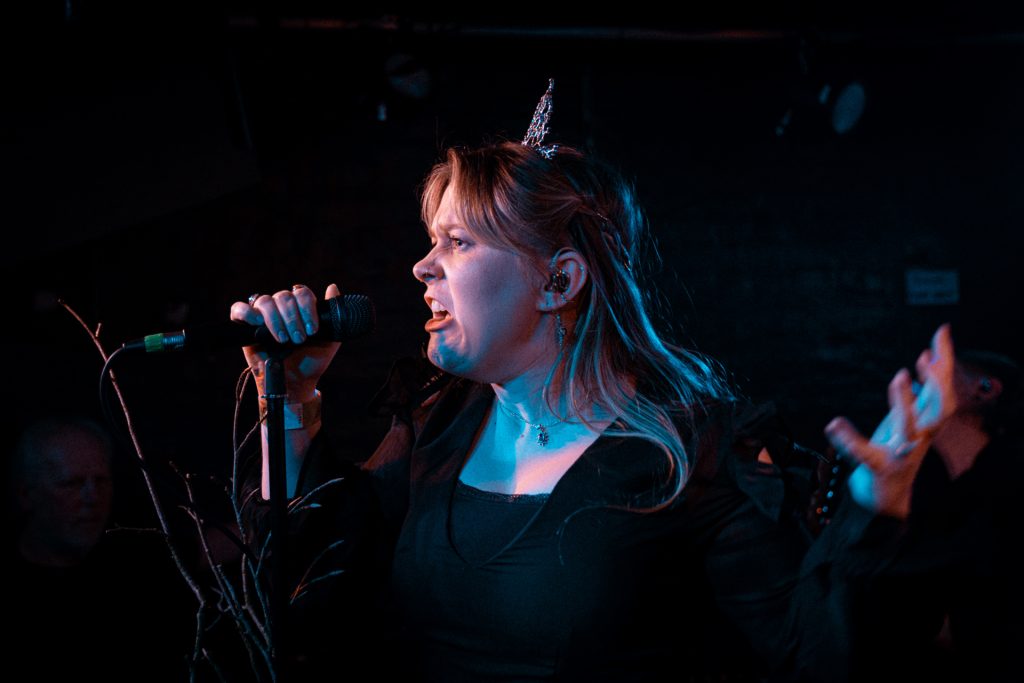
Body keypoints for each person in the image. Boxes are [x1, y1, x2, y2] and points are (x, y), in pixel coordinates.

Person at [230, 81, 958, 681]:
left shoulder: (687, 457)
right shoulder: (436, 427)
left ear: (559, 280)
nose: (423, 268)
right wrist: (290, 400)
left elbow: (813, 658)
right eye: (432, 242)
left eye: (457, 242)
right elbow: (314, 579)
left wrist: (874, 511)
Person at [840, 350, 1023, 682]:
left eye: (938, 370)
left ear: (984, 388)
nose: (921, 376)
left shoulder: (1000, 480)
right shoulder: (929, 475)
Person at [6, 416, 191, 680]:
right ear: (26, 494)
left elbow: (214, 547)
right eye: (71, 483)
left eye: (101, 481)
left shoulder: (130, 564)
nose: (92, 497)